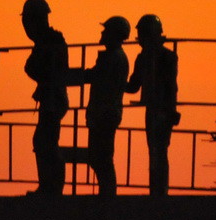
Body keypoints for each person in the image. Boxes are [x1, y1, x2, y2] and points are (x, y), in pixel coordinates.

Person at [74, 15, 130, 196]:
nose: (103, 33)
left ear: (114, 34)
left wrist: (74, 76)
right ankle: (107, 193)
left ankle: (107, 195)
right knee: (100, 157)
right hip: (106, 112)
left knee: (101, 157)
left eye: (106, 30)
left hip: (104, 113)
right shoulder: (117, 57)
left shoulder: (113, 58)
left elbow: (96, 76)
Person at [126, 13, 180, 196]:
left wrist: (171, 111)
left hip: (162, 109)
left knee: (159, 150)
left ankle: (159, 191)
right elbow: (134, 86)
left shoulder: (165, 57)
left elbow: (170, 86)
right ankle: (157, 190)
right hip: (155, 109)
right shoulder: (147, 58)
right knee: (156, 150)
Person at [21, 0, 69, 195]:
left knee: (45, 142)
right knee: (44, 141)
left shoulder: (50, 42)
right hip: (52, 97)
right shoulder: (48, 41)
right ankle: (49, 187)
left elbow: (35, 67)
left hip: (53, 98)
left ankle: (52, 187)